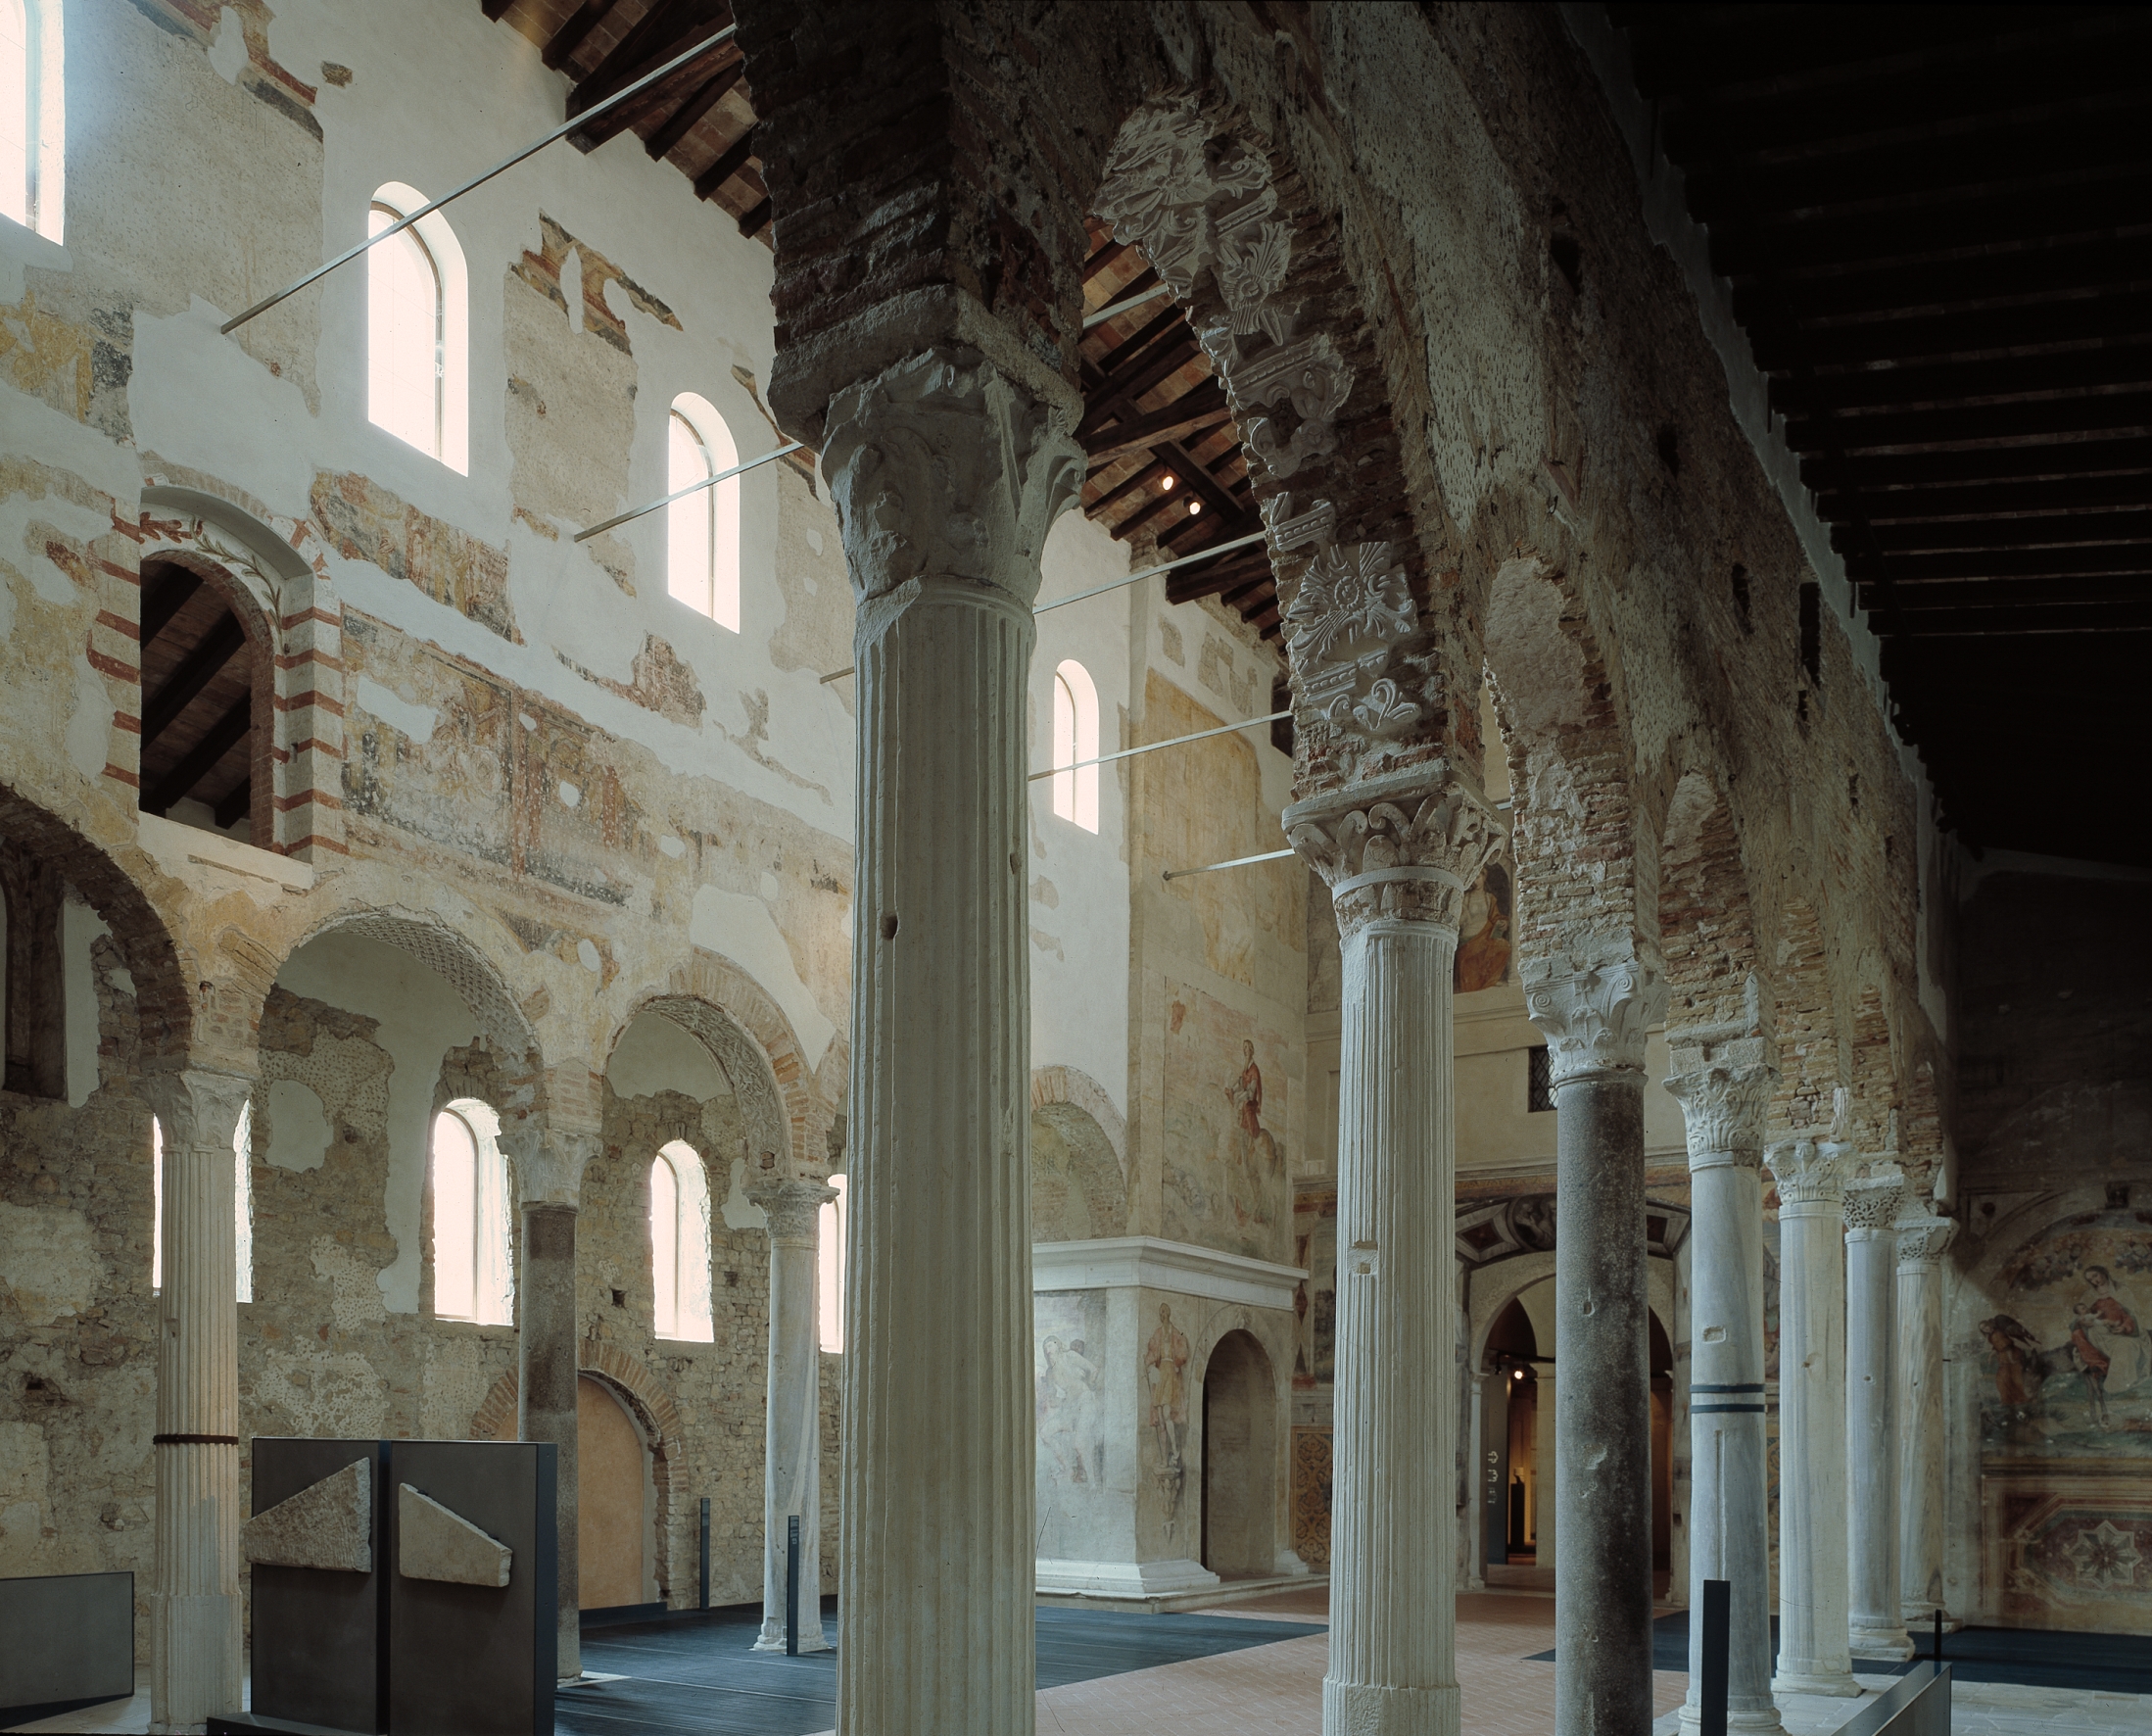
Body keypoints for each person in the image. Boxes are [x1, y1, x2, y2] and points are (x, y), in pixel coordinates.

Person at [1145, 1303, 1190, 1470]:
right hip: (1160, 1374)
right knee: (1161, 1420)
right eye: (1160, 1312)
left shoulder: (1176, 1332)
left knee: (1166, 1414)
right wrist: (1148, 1362)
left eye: (1164, 1312)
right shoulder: (1157, 1333)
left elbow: (1183, 1351)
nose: (1162, 1315)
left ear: (1169, 1313)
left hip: (1170, 1372)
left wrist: (1177, 1362)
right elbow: (1152, 1352)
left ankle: (1176, 1452)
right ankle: (1165, 1459)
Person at [2071, 1302, 2113, 1427]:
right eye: (2082, 1308)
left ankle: (2101, 1412)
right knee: (2092, 1387)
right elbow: (2078, 1328)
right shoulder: (2079, 1323)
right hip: (2086, 1348)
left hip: (2092, 1343)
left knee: (2094, 1387)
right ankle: (2097, 1413)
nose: (2085, 1309)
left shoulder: (2088, 1319)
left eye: (2085, 1307)